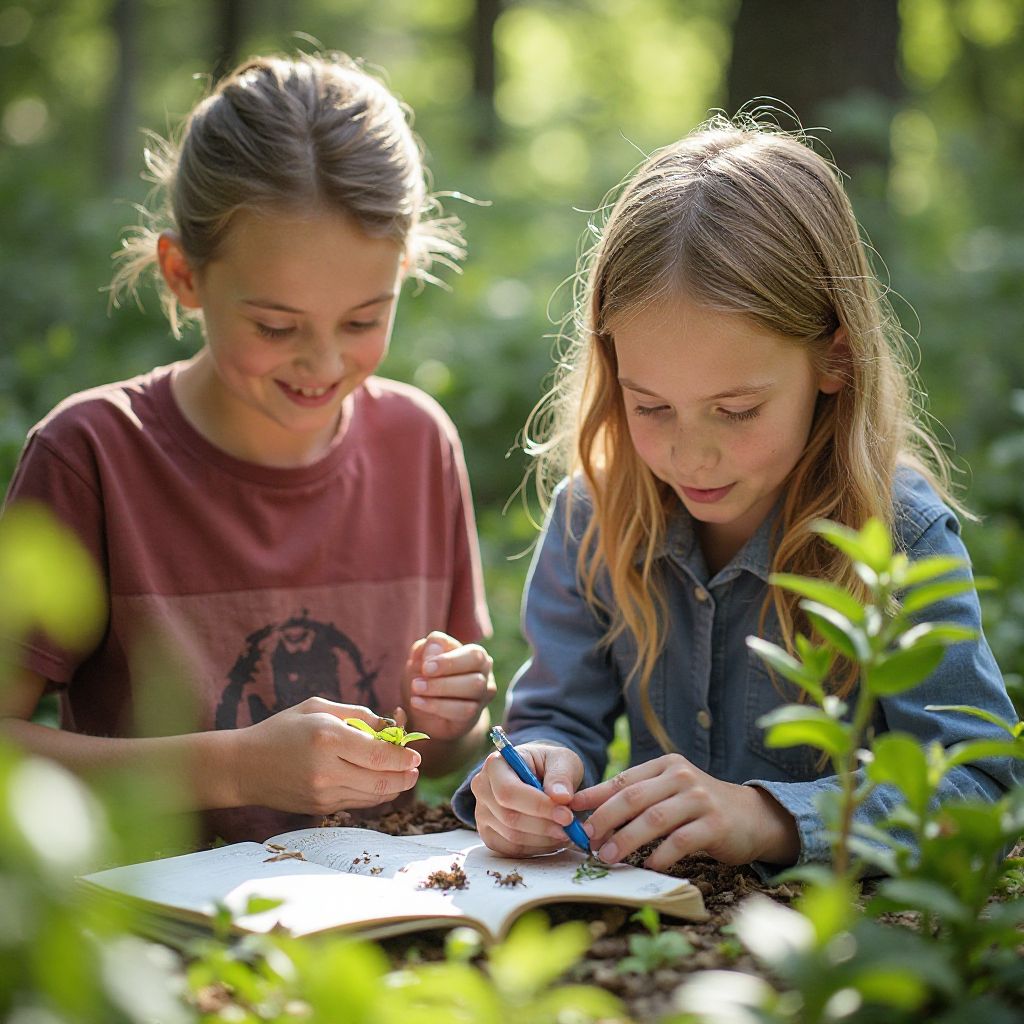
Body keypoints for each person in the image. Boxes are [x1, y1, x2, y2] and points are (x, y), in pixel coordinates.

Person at [453, 115, 1020, 875]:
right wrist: (535, 774)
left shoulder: (900, 538)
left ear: (835, 358)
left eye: (736, 410)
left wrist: (770, 818)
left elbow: (979, 787)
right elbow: (557, 716)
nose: (690, 452)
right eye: (650, 406)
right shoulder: (596, 517)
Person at [0, 53, 495, 844]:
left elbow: (448, 753)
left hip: (386, 915)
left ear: (403, 269)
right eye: (276, 326)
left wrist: (451, 718)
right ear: (183, 274)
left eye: (364, 320)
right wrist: (233, 767)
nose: (325, 365)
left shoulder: (418, 444)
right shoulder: (90, 456)